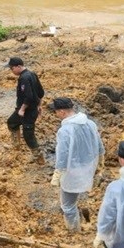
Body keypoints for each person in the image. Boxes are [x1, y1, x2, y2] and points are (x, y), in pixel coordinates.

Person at [49, 97, 105, 232]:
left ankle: (74, 231)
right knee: (80, 190)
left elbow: (63, 154)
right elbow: (99, 144)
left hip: (72, 171)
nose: (56, 115)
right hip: (88, 167)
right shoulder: (90, 123)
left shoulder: (65, 130)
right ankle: (82, 212)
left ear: (62, 112)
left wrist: (58, 172)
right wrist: (101, 160)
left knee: (67, 205)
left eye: (56, 112)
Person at [6, 56, 44, 162]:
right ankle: (16, 145)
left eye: (12, 68)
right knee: (12, 123)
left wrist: (22, 109)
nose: (11, 71)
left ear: (18, 66)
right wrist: (39, 105)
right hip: (28, 109)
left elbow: (29, 96)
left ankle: (39, 158)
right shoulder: (32, 74)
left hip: (28, 111)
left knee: (29, 136)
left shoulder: (24, 78)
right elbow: (41, 92)